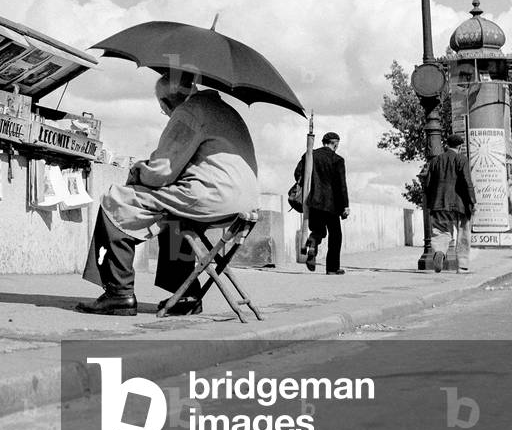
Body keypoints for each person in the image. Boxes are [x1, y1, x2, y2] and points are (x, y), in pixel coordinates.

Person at [76, 72, 259, 316]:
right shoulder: (223, 109)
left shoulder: (189, 112)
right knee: (174, 221)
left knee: (115, 200)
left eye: (163, 109)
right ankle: (186, 295)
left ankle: (118, 293)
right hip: (242, 201)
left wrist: (137, 172)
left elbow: (163, 170)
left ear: (165, 103)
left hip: (210, 196)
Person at [293, 131, 349, 274]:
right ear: (335, 143)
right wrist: (345, 206)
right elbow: (341, 185)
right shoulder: (337, 160)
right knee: (335, 235)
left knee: (318, 230)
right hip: (332, 204)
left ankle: (312, 241)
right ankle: (332, 268)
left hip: (313, 202)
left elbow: (297, 173)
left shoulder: (310, 155)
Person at [423, 133, 476, 273]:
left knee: (441, 231)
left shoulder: (435, 161)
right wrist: (472, 201)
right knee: (463, 233)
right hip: (460, 204)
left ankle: (439, 252)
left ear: (447, 145)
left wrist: (431, 203)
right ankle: (462, 266)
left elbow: (427, 185)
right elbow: (467, 181)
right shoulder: (462, 159)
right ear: (460, 146)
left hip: (439, 203)